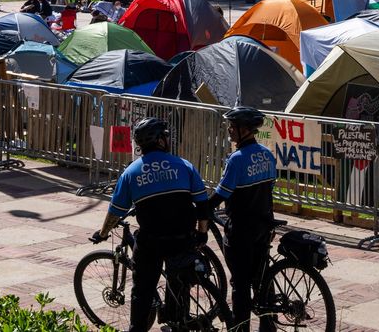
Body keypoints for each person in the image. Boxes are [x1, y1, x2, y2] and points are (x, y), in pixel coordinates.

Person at [93, 117, 210, 332]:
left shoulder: (131, 173)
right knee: (179, 282)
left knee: (142, 291)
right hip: (182, 238)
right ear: (160, 141)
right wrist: (202, 235)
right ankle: (177, 321)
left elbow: (115, 212)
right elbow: (203, 205)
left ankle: (137, 328)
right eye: (166, 135)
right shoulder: (184, 165)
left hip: (151, 242)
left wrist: (102, 233)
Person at [208, 107, 277, 332]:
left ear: (245, 129)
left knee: (241, 283)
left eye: (233, 125)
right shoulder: (267, 154)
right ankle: (268, 326)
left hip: (242, 229)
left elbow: (222, 194)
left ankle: (240, 328)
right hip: (264, 224)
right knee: (262, 278)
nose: (229, 129)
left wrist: (202, 208)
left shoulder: (236, 159)